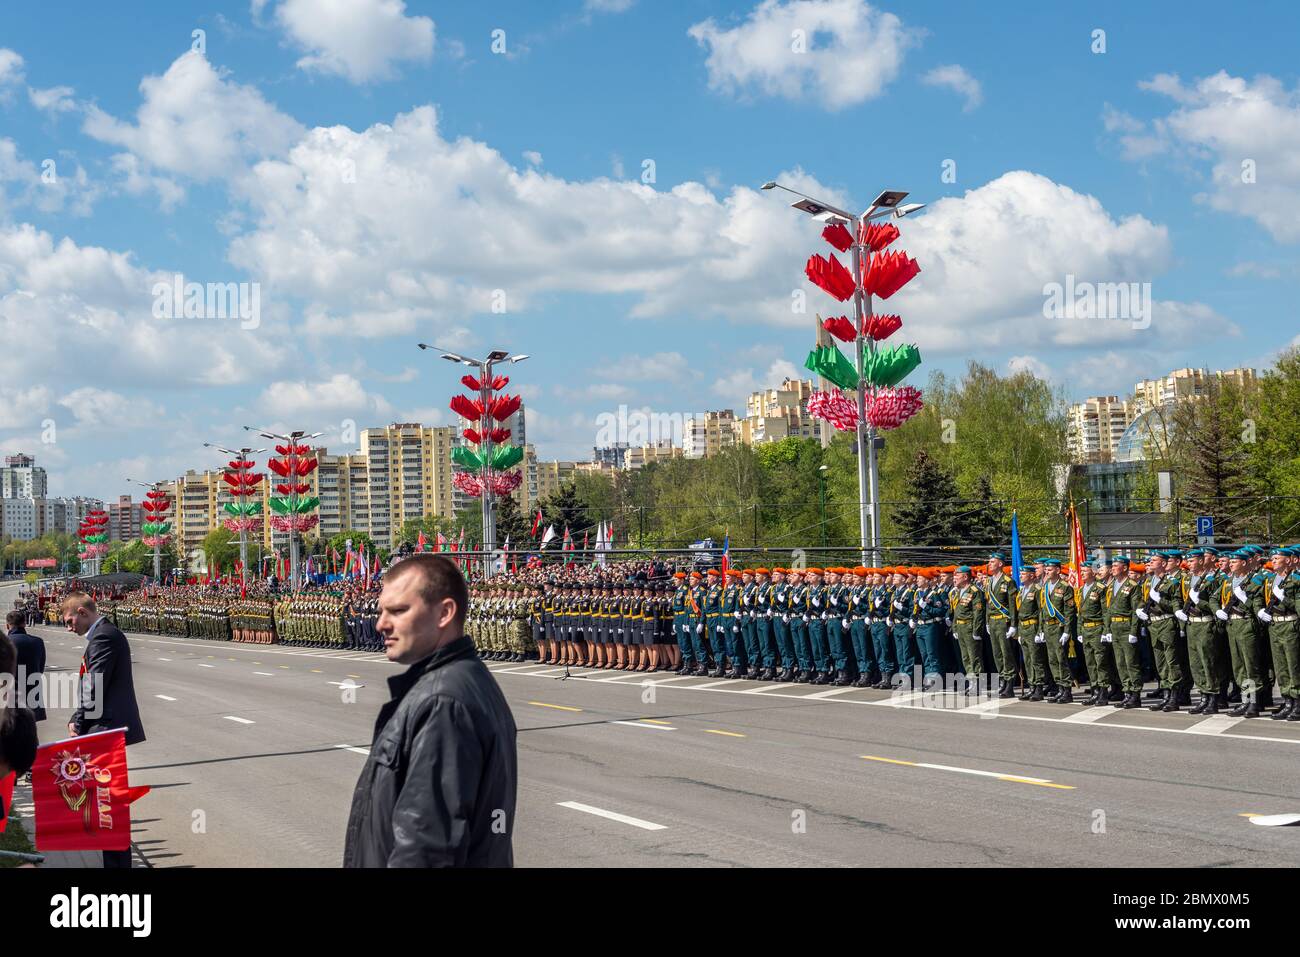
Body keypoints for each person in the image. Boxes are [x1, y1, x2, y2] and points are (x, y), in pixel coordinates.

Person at [344, 555, 517, 868]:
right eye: (382, 610)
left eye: (398, 610)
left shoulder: (443, 701)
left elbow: (426, 848)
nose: (381, 623)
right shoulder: (459, 682)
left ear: (445, 613)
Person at [62, 590, 146, 869]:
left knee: (108, 804)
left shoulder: (104, 636)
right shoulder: (103, 635)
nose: (68, 626)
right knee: (105, 804)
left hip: (105, 731)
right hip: (103, 728)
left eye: (70, 620)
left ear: (83, 613)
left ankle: (117, 866)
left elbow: (94, 685)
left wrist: (79, 721)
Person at [6, 611, 45, 724]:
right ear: (25, 623)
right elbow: (40, 669)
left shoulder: (5, 642)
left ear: (8, 625)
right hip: (32, 697)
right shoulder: (38, 642)